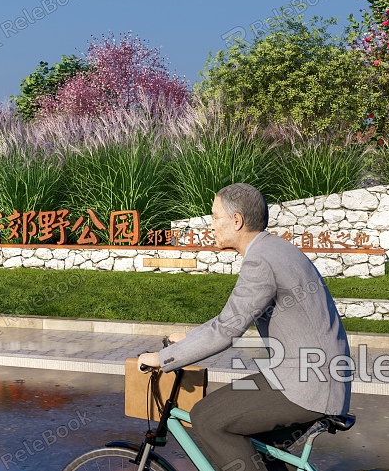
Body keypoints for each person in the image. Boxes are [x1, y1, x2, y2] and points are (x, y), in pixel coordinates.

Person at [137, 183, 351, 471]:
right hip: (316, 375)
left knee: (208, 418)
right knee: (261, 455)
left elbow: (227, 330)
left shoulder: (261, 259)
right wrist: (189, 339)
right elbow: (229, 318)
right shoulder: (273, 247)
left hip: (307, 383)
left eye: (214, 217)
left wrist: (161, 360)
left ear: (236, 221)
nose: (210, 225)